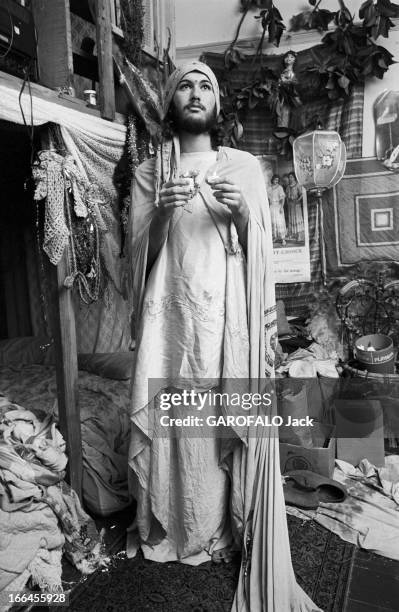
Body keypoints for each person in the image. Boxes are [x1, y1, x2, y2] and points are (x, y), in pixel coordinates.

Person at [127, 60, 319, 611]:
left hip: (227, 318)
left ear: (217, 104)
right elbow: (133, 264)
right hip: (173, 324)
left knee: (221, 421)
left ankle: (224, 525)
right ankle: (175, 527)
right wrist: (161, 213)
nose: (194, 92)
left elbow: (260, 250)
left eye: (204, 85)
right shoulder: (148, 173)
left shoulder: (246, 169)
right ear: (170, 101)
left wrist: (241, 219)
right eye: (184, 84)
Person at [267, 174, 287, 245]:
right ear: (272, 180)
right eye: (275, 180)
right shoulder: (269, 188)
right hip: (271, 207)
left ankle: (283, 239)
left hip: (278, 206)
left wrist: (282, 207)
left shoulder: (280, 187)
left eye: (277, 180)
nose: (276, 181)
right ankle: (274, 237)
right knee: (272, 222)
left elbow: (283, 198)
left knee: (279, 222)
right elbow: (268, 199)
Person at [286, 171, 305, 242]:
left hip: (296, 205)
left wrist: (298, 200)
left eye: (291, 177)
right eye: (289, 177)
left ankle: (299, 236)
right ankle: (293, 235)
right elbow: (287, 197)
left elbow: (302, 194)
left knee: (297, 219)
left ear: (294, 178)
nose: (290, 178)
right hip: (290, 206)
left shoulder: (297, 185)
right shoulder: (288, 187)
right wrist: (288, 202)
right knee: (292, 219)